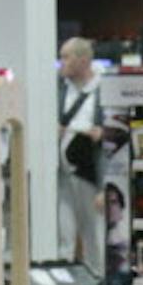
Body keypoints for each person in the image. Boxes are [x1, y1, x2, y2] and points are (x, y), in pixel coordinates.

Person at [58, 38, 102, 269]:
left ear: (83, 60)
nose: (61, 63)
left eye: (66, 57)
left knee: (93, 233)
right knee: (64, 232)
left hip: (88, 174)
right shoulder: (59, 90)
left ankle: (97, 283)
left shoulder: (102, 91)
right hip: (61, 174)